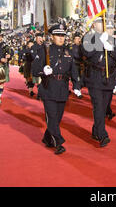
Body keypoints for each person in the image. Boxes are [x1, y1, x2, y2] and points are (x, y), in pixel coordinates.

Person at [32, 24, 81, 154]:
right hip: (48, 87)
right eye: (58, 35)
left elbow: (74, 71)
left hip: (62, 88)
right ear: (52, 37)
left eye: (63, 36)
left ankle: (48, 138)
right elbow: (34, 70)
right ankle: (58, 143)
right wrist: (43, 70)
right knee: (52, 117)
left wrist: (76, 86)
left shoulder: (68, 52)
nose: (61, 38)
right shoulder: (45, 50)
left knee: (57, 118)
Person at [81, 17, 116, 147]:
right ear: (94, 25)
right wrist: (100, 42)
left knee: (104, 107)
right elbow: (86, 53)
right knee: (98, 106)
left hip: (109, 77)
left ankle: (95, 131)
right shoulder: (88, 38)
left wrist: (111, 49)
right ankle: (102, 135)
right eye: (100, 22)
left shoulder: (113, 40)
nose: (104, 24)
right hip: (95, 77)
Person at [30, 32, 45, 99]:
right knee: (38, 81)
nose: (39, 39)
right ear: (36, 39)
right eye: (38, 38)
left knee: (43, 81)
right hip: (37, 66)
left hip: (44, 66)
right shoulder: (33, 47)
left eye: (40, 38)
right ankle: (40, 94)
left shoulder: (45, 46)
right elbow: (34, 56)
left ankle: (41, 94)